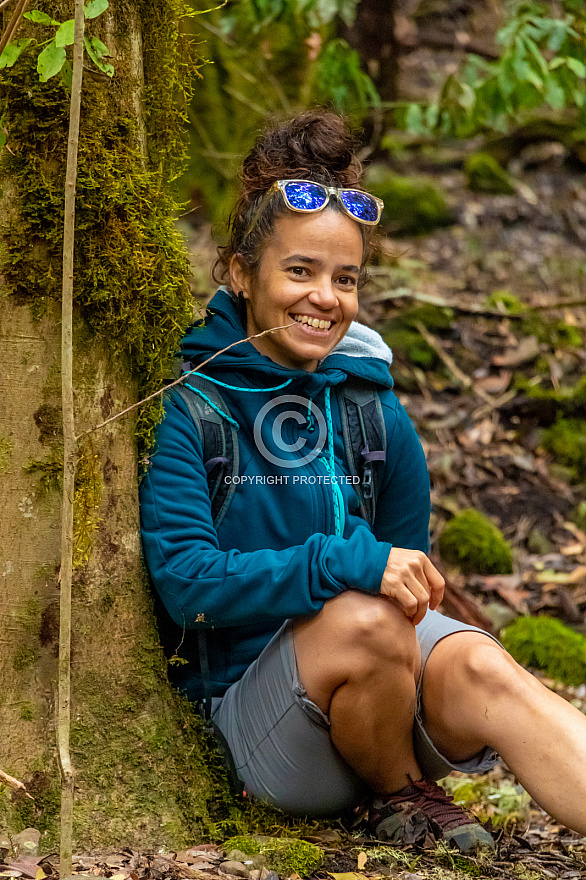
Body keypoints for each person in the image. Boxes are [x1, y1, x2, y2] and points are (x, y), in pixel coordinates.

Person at [139, 111, 586, 852]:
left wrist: (408, 618)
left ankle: (407, 783)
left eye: (345, 279)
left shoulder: (372, 411)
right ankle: (397, 794)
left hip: (375, 698)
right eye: (299, 272)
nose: (325, 297)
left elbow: (409, 594)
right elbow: (188, 585)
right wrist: (343, 561)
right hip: (264, 732)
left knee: (478, 657)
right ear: (242, 274)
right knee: (367, 616)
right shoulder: (193, 408)